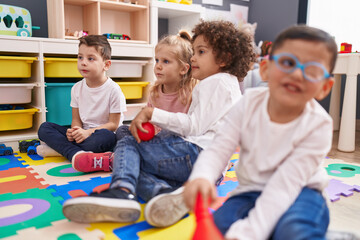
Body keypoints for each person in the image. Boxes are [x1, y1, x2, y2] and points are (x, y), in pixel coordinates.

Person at [61, 20, 256, 227]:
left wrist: (152, 113)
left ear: (224, 58)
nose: (193, 57)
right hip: (207, 167)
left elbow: (193, 126)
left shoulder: (215, 82)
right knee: (133, 164)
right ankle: (164, 195)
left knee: (128, 146)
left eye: (201, 52)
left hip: (197, 155)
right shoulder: (228, 83)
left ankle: (122, 191)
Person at [183, 25, 337, 240]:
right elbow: (219, 148)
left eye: (312, 71)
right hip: (249, 190)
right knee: (220, 226)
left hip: (303, 193)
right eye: (287, 63)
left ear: (324, 87)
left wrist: (249, 233)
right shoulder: (248, 104)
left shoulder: (319, 125)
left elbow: (284, 185)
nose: (296, 74)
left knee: (293, 231)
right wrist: (202, 176)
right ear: (265, 69)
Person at [37, 35, 126, 173]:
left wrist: (87, 133)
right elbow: (76, 119)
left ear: (106, 65)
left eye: (91, 58)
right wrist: (75, 131)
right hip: (83, 136)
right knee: (44, 128)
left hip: (101, 135)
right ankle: (77, 154)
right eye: (80, 57)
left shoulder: (114, 89)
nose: (83, 62)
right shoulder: (76, 88)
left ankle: (63, 150)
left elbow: (113, 124)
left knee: (104, 138)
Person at [115, 31, 197, 140]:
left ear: (183, 69)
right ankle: (132, 150)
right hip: (154, 138)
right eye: (157, 60)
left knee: (128, 143)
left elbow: (189, 128)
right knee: (122, 130)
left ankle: (128, 151)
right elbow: (148, 121)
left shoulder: (191, 93)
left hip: (175, 141)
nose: (158, 66)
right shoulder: (155, 92)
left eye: (166, 61)